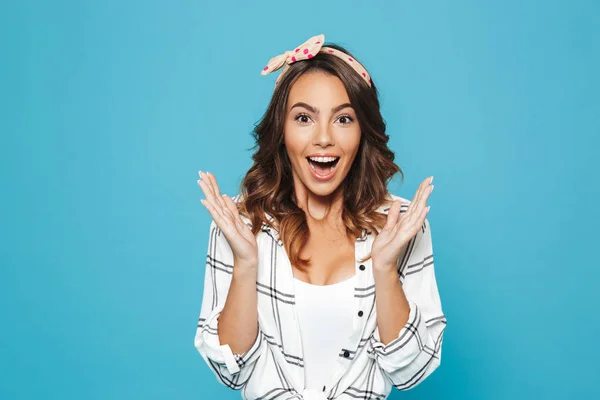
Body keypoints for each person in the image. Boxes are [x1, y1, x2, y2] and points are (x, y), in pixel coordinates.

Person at [193, 34, 447, 400]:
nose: (324, 138)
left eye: (343, 119)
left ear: (363, 131)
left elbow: (411, 370)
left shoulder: (400, 225)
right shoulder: (240, 224)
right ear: (281, 130)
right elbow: (232, 371)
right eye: (304, 118)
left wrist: (385, 269)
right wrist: (246, 263)